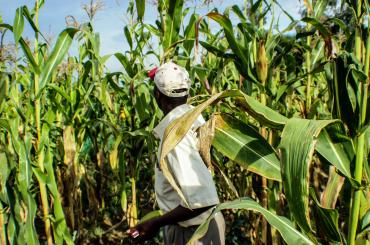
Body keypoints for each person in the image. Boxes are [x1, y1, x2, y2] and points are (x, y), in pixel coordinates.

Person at [127, 62, 225, 244]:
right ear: (187, 93)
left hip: (195, 233)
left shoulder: (175, 136)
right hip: (201, 226)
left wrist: (155, 223)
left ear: (157, 95)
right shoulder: (193, 117)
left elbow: (202, 200)